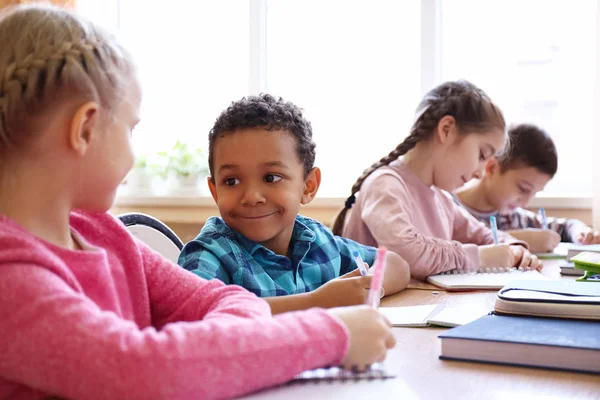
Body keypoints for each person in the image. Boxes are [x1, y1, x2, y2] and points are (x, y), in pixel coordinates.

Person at [0, 5, 395, 399]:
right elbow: (145, 371)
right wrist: (333, 335)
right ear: (85, 128)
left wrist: (203, 349)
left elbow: (227, 299)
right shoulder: (10, 276)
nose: (133, 154)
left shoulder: (105, 235)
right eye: (130, 129)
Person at [179, 94, 410, 314]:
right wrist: (317, 302)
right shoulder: (211, 254)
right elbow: (196, 315)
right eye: (232, 181)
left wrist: (366, 288)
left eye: (271, 178)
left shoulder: (317, 242)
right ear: (215, 191)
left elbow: (396, 264)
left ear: (308, 186)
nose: (251, 196)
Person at [332, 81, 542, 280]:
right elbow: (407, 255)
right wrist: (480, 257)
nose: (480, 173)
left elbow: (485, 236)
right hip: (380, 314)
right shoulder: (384, 184)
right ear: (446, 130)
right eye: (481, 154)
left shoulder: (442, 197)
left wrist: (514, 248)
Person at [454, 123, 600, 253]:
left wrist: (580, 233)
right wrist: (518, 239)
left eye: (534, 194)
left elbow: (566, 226)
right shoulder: (447, 207)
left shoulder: (514, 218)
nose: (525, 203)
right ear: (491, 168)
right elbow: (443, 245)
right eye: (523, 189)